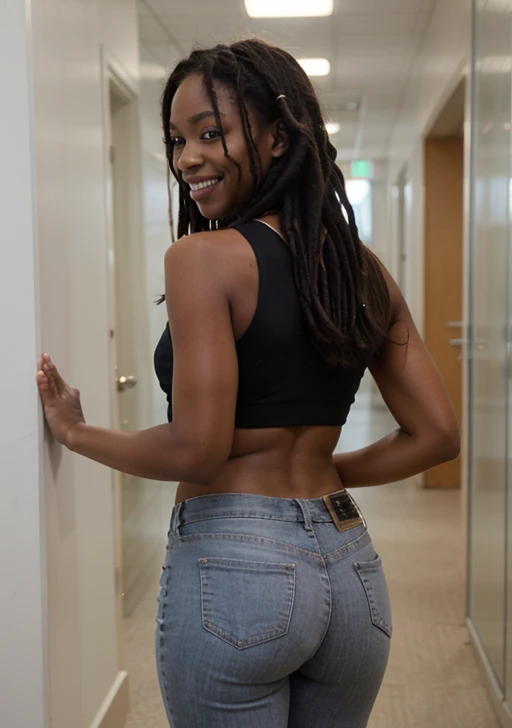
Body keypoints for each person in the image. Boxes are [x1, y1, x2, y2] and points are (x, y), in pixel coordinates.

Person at [36, 38, 460, 728]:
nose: (186, 159)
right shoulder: (363, 269)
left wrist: (81, 433)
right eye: (177, 140)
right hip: (351, 568)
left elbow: (198, 451)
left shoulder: (204, 259)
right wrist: (324, 470)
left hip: (238, 573)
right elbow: (438, 434)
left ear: (277, 136)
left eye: (211, 132)